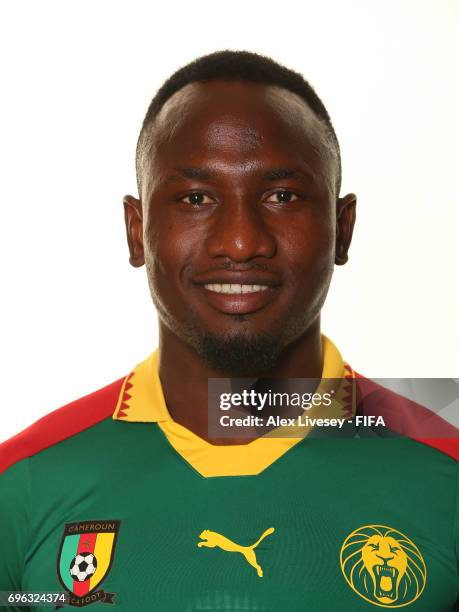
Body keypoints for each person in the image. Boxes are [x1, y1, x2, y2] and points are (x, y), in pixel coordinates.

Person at [0, 51, 457, 611]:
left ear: (343, 230)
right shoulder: (19, 482)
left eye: (281, 196)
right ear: (137, 232)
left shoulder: (445, 463)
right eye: (196, 199)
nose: (241, 242)